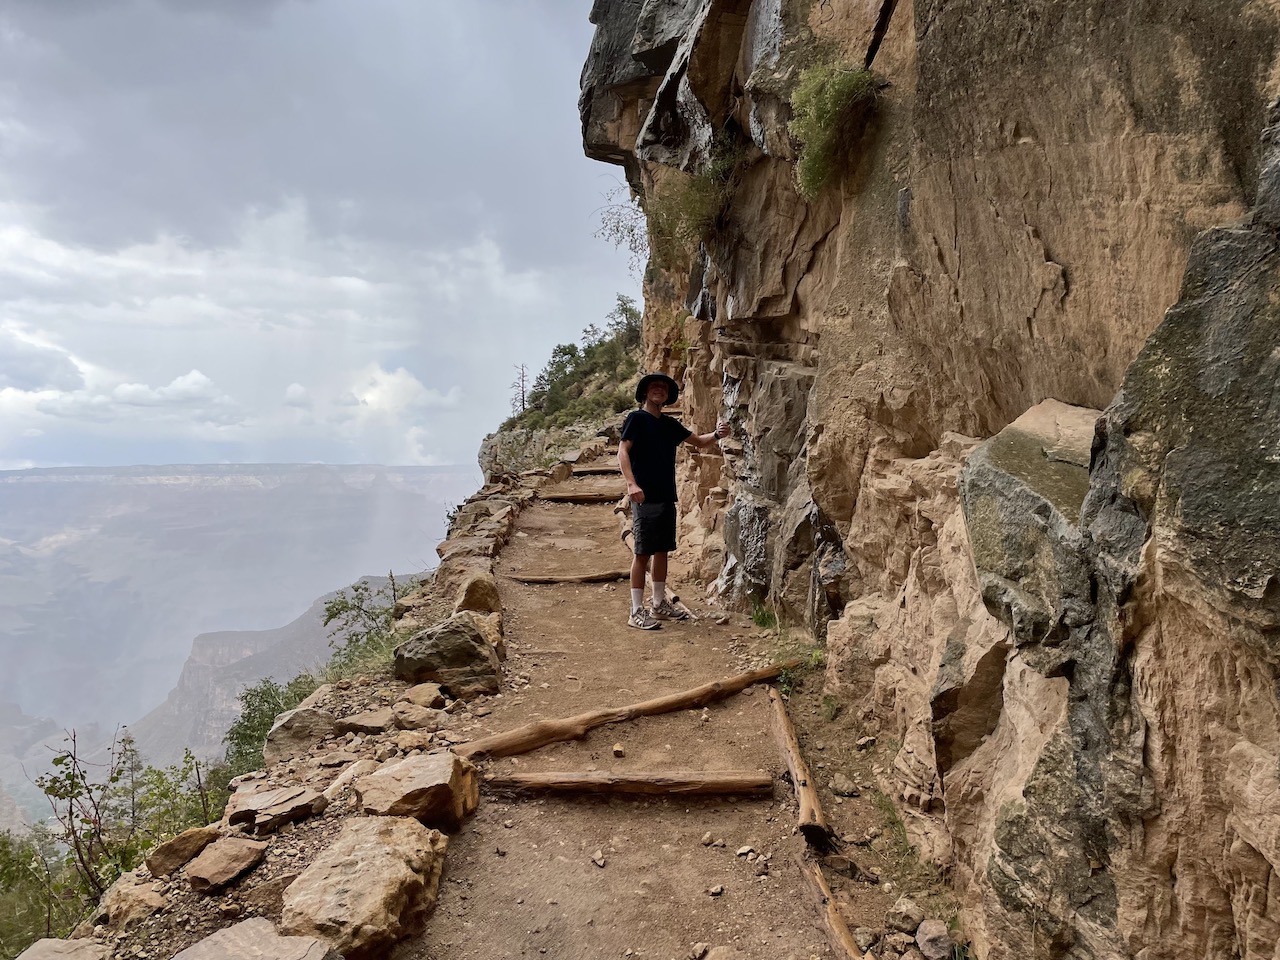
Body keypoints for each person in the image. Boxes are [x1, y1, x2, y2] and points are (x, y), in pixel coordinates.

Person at [618, 372, 730, 630]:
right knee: (642, 553)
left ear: (668, 396)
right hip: (644, 496)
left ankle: (658, 605)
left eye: (664, 387)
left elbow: (699, 441)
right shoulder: (636, 419)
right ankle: (636, 611)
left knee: (662, 550)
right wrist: (631, 484)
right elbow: (623, 450)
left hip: (666, 496)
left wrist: (718, 434)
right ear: (645, 393)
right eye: (654, 386)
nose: (659, 390)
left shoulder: (669, 424)